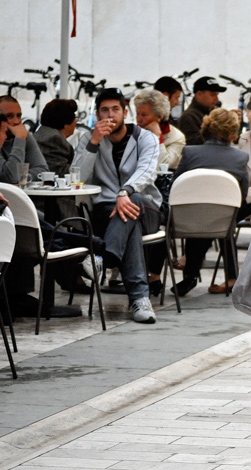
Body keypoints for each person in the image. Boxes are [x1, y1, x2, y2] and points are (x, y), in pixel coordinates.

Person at [72, 87, 161, 324]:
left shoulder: (145, 138)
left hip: (146, 207)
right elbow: (77, 177)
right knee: (129, 223)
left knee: (132, 203)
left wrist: (125, 192)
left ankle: (103, 257)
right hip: (108, 212)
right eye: (104, 110)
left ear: (125, 112)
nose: (110, 115)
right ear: (97, 114)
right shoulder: (89, 139)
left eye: (115, 109)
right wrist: (93, 142)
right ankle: (140, 299)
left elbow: (147, 172)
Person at [169, 108, 251, 297]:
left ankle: (190, 274)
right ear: (231, 133)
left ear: (206, 128)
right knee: (223, 214)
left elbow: (176, 186)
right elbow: (242, 194)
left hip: (190, 220)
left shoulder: (190, 153)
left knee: (201, 212)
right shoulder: (240, 157)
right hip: (224, 220)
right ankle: (231, 276)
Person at [133, 89, 186, 170]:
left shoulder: (177, 137)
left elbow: (162, 166)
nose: (138, 119)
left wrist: (158, 138)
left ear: (159, 117)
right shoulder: (134, 133)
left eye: (144, 115)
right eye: (137, 114)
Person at [0, 95, 48, 184]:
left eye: (19, 116)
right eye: (9, 116)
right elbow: (10, 177)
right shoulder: (21, 136)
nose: (17, 121)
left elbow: (43, 171)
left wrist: (21, 176)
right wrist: (19, 139)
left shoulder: (23, 135)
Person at [33, 98, 78, 177]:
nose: (76, 122)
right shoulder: (55, 140)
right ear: (66, 124)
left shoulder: (40, 133)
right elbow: (62, 173)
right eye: (75, 119)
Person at [178, 76, 226, 146]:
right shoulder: (189, 117)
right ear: (199, 94)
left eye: (217, 94)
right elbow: (196, 145)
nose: (217, 98)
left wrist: (232, 124)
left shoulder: (213, 112)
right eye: (213, 94)